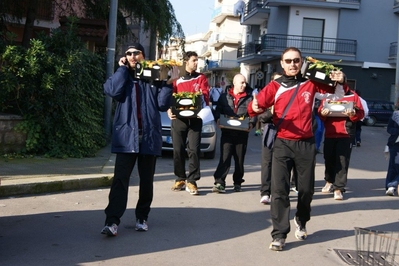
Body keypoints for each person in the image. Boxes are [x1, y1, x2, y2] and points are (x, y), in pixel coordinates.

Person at [248, 47, 346, 251]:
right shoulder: (275, 85)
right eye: (288, 61)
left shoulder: (311, 83)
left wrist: (341, 80)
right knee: (279, 191)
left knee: (306, 190)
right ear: (282, 64)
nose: (293, 64)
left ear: (301, 62)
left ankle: (301, 220)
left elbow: (337, 95)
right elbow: (255, 106)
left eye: (296, 60)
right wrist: (254, 108)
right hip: (282, 143)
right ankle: (279, 234)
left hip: (306, 144)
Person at [101, 43, 176, 236]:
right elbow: (112, 91)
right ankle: (112, 221)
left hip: (148, 137)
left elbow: (161, 105)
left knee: (146, 181)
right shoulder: (123, 76)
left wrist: (168, 84)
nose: (133, 56)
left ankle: (142, 217)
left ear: (144, 56)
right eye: (129, 53)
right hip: (127, 137)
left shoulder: (153, 77)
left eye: (137, 53)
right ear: (125, 57)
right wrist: (122, 69)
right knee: (120, 180)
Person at [168, 51, 210, 195]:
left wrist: (200, 100)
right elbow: (170, 94)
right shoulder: (177, 77)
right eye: (194, 60)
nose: (196, 63)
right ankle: (180, 178)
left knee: (194, 150)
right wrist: (169, 109)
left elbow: (205, 95)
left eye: (197, 60)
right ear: (186, 61)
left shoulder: (201, 78)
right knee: (178, 150)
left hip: (195, 119)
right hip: (179, 119)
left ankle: (192, 180)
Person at [211, 74, 255, 193]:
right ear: (234, 83)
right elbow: (217, 110)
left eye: (245, 83)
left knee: (239, 159)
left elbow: (253, 113)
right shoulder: (224, 96)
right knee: (225, 158)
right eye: (241, 83)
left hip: (242, 133)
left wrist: (251, 123)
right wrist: (218, 120)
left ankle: (237, 182)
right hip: (227, 132)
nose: (244, 85)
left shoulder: (250, 98)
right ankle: (219, 182)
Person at [319, 88, 365, 200]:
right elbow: (320, 112)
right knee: (328, 158)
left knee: (342, 161)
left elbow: (361, 113)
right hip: (330, 133)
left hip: (346, 134)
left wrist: (352, 114)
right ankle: (329, 181)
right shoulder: (327, 95)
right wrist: (323, 114)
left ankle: (339, 188)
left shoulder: (353, 96)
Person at [385, 110, 399, 196]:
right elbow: (389, 128)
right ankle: (390, 186)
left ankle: (393, 184)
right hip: (396, 144)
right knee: (394, 165)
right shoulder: (395, 114)